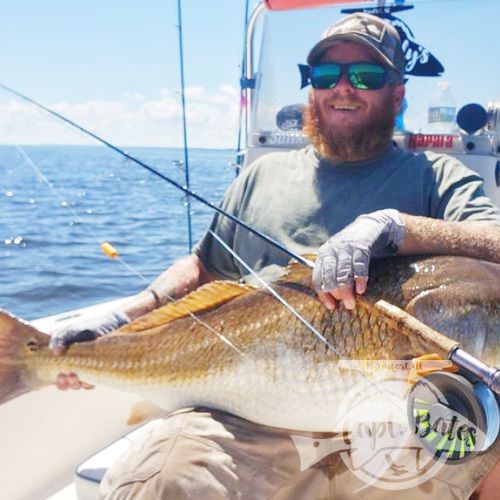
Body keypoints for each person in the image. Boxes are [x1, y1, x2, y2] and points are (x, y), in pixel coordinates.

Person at [51, 13, 500, 499]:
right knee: (167, 480)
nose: (344, 88)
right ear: (311, 89)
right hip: (246, 419)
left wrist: (397, 227)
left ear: (398, 93)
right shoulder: (259, 178)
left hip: (407, 425)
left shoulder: (436, 176)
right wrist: (123, 317)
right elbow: (205, 268)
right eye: (327, 76)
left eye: (367, 76)